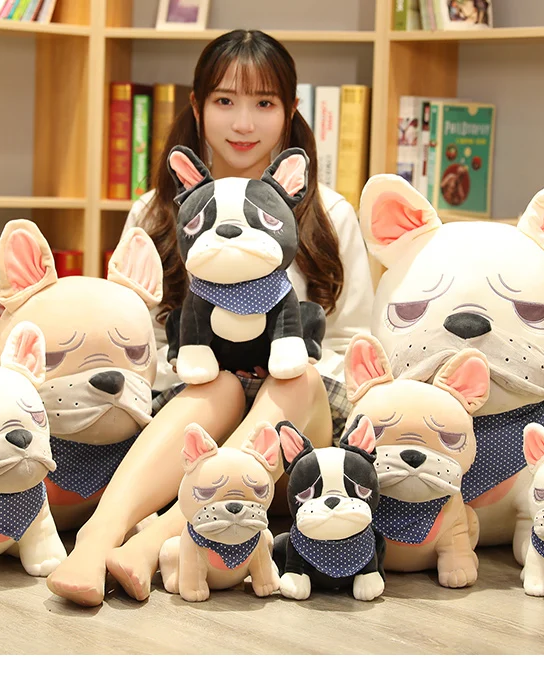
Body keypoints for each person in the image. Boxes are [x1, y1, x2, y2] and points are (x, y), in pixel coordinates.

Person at [46, 29, 375, 606]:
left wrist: (280, 370)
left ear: (290, 111)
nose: (243, 123)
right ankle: (98, 539)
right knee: (218, 384)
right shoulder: (155, 211)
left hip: (295, 437)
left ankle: (151, 541)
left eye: (264, 103)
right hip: (195, 413)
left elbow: (351, 340)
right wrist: (202, 370)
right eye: (225, 101)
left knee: (295, 377)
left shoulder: (328, 212)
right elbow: (138, 339)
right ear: (197, 107)